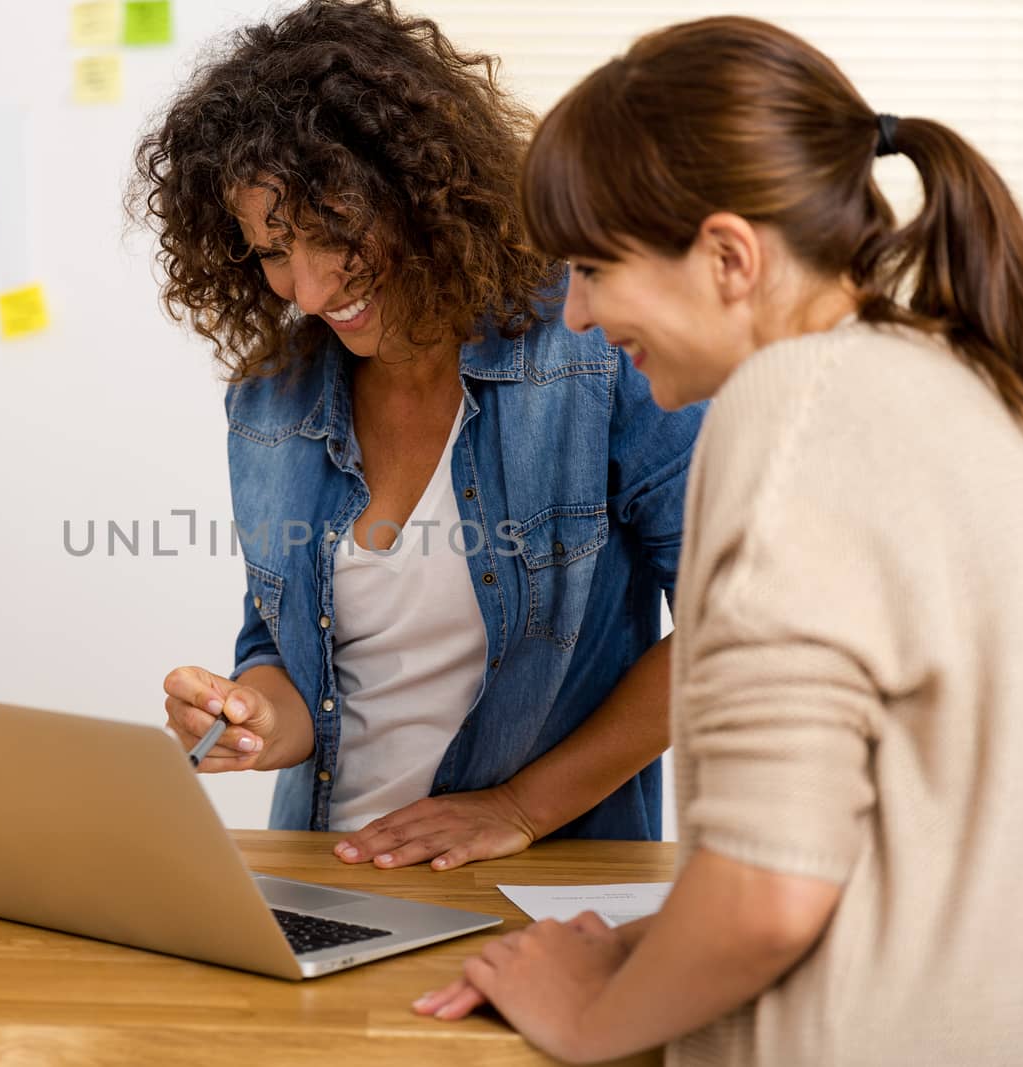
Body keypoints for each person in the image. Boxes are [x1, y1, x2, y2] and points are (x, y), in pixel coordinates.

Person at [415, 14, 1023, 1063]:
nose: (579, 314)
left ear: (728, 255)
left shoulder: (791, 406)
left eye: (593, 267)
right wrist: (638, 946)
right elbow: (905, 848)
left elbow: (768, 897)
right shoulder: (977, 383)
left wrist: (589, 1014)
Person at [129, 0, 704, 868]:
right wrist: (246, 719)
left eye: (332, 231)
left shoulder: (595, 347)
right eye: (273, 251)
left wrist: (516, 807)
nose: (312, 290)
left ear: (420, 191)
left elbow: (731, 624)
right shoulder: (273, 400)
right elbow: (283, 653)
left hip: (536, 874)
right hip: (326, 865)